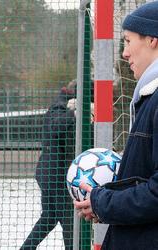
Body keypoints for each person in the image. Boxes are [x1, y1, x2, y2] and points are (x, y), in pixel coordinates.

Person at [74, 1, 158, 250]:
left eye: (128, 41)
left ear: (152, 39)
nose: (124, 52)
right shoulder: (148, 97)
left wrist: (104, 202)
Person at [20, 81, 77, 250]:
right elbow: (55, 126)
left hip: (50, 175)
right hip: (55, 177)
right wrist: (74, 113)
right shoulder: (59, 107)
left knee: (49, 217)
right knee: (69, 222)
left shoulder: (62, 104)